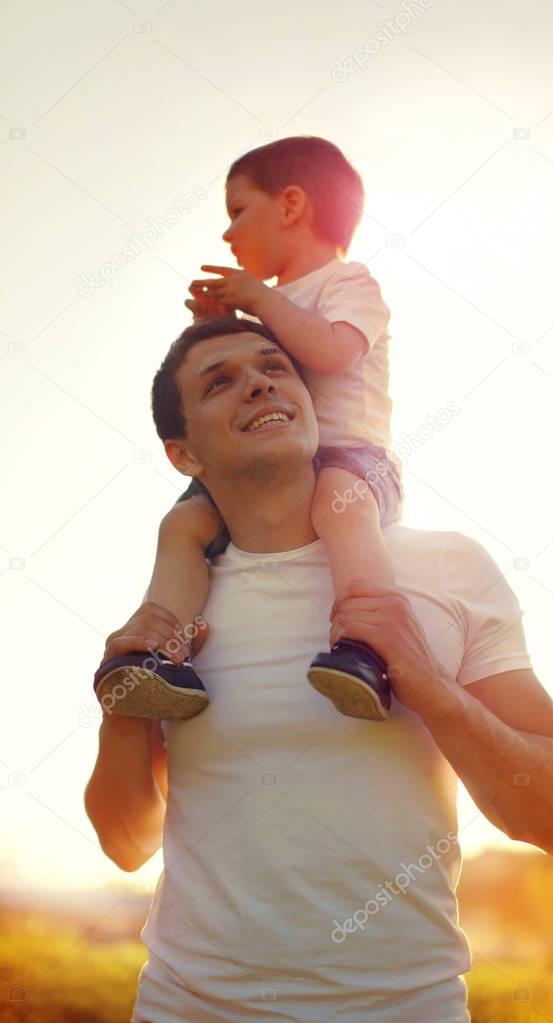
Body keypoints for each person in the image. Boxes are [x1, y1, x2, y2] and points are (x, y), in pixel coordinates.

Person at [84, 318, 553, 1023]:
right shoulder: (175, 610)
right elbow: (127, 841)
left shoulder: (445, 567)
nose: (258, 381)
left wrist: (427, 682)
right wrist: (120, 711)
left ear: (312, 402)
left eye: (274, 366)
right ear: (183, 453)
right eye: (219, 381)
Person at [93, 135, 403, 724]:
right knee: (183, 521)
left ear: (290, 206)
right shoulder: (272, 306)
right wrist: (222, 326)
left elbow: (332, 353)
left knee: (340, 506)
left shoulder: (348, 282)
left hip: (355, 459)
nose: (229, 234)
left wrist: (258, 300)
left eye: (238, 211)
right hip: (277, 462)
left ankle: (370, 646)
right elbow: (256, 380)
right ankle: (160, 650)